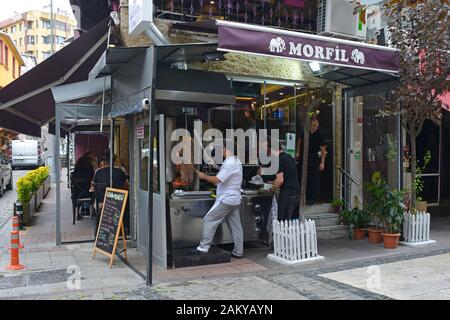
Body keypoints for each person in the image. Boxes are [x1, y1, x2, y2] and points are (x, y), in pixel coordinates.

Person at [191, 141, 244, 258]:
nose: (220, 151)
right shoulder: (235, 161)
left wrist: (203, 176)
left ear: (227, 149)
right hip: (234, 199)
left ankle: (203, 248)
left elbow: (217, 180)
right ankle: (238, 252)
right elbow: (226, 173)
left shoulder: (230, 163)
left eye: (222, 148)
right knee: (236, 226)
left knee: (209, 219)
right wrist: (216, 166)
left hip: (227, 199)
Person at [260, 137, 300, 221]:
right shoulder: (289, 158)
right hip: (295, 193)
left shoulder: (278, 160)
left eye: (268, 151)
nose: (269, 154)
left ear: (271, 150)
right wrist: (273, 182)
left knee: (282, 220)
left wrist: (271, 189)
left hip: (286, 194)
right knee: (289, 220)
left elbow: (280, 180)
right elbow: (287, 176)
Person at [92, 152, 129, 232]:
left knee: (96, 202)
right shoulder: (119, 171)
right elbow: (126, 187)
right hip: (117, 202)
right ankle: (125, 227)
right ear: (113, 161)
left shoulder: (98, 172)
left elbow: (93, 187)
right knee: (127, 203)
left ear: (103, 162)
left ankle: (99, 230)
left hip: (102, 203)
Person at [296, 117, 327, 205]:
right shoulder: (304, 131)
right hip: (303, 156)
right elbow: (299, 141)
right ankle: (302, 196)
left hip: (313, 157)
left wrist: (322, 162)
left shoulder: (319, 134)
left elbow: (323, 149)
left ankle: (312, 198)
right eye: (312, 125)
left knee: (313, 178)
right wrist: (298, 152)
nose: (313, 127)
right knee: (302, 176)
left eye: (315, 125)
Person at [71, 155, 95, 220]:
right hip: (89, 194)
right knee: (94, 192)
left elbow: (72, 185)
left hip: (77, 195)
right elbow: (93, 182)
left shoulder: (75, 172)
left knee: (77, 191)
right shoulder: (90, 171)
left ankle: (77, 214)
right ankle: (91, 214)